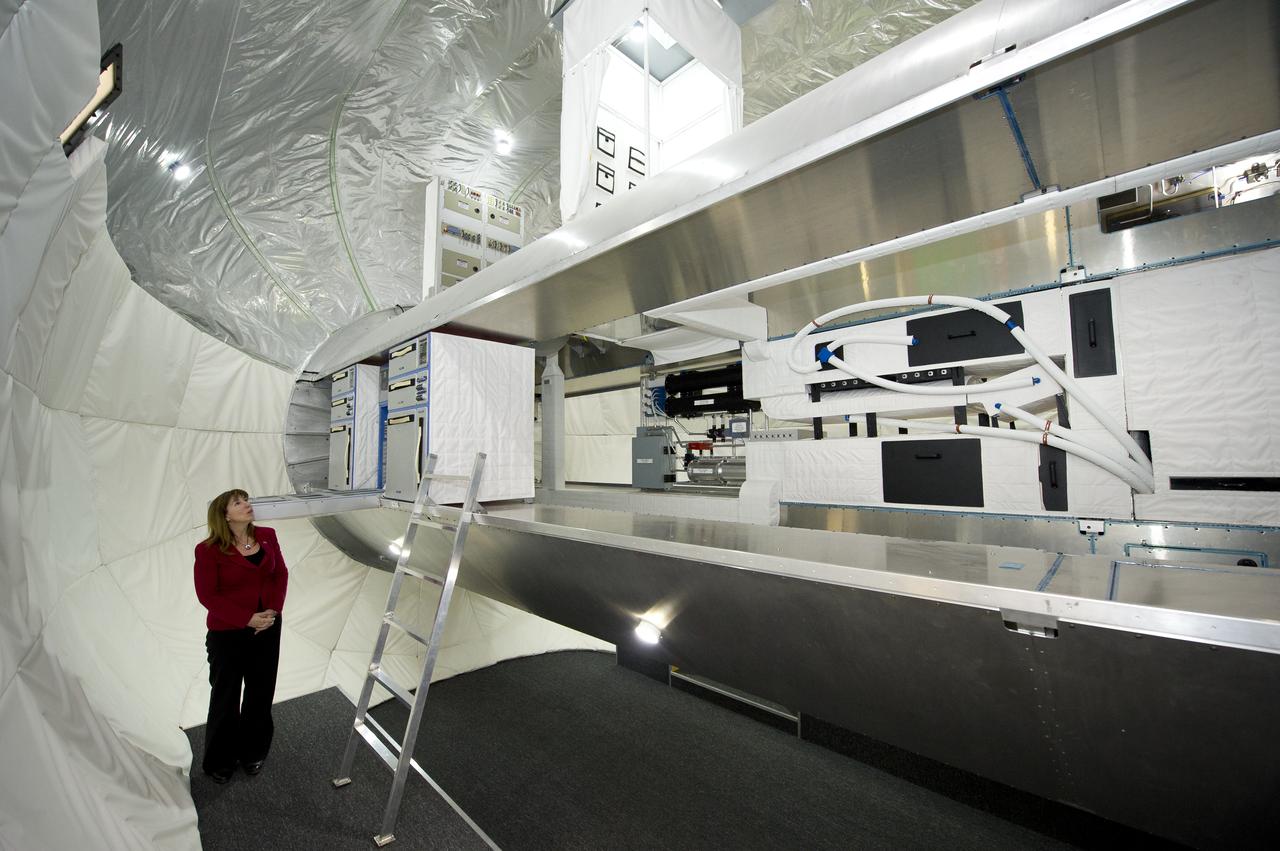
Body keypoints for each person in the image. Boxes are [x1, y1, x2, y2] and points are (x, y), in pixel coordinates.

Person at [193, 489, 289, 783]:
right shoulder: (207, 550)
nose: (247, 505)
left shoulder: (267, 535)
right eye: (239, 502)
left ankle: (253, 752)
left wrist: (271, 612)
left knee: (260, 692)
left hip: (267, 628)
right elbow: (207, 595)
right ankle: (220, 761)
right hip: (228, 633)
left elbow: (279, 574)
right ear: (224, 514)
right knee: (226, 695)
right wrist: (246, 618)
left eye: (246, 500)